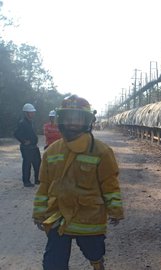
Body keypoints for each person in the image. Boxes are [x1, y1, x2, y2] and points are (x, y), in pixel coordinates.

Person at [32, 95, 124, 270]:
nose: (72, 123)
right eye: (68, 118)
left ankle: (97, 264)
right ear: (61, 120)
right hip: (58, 216)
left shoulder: (102, 151)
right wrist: (38, 213)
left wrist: (115, 210)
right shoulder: (52, 151)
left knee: (94, 253)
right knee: (53, 263)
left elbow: (109, 184)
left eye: (78, 118)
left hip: (89, 218)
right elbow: (44, 186)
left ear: (87, 121)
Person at [13, 103, 41, 187]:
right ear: (26, 113)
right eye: (31, 112)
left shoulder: (31, 122)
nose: (33, 113)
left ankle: (37, 179)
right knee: (27, 164)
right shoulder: (23, 122)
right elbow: (16, 133)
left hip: (33, 147)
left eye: (33, 112)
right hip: (27, 148)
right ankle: (26, 182)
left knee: (38, 163)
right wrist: (23, 141)